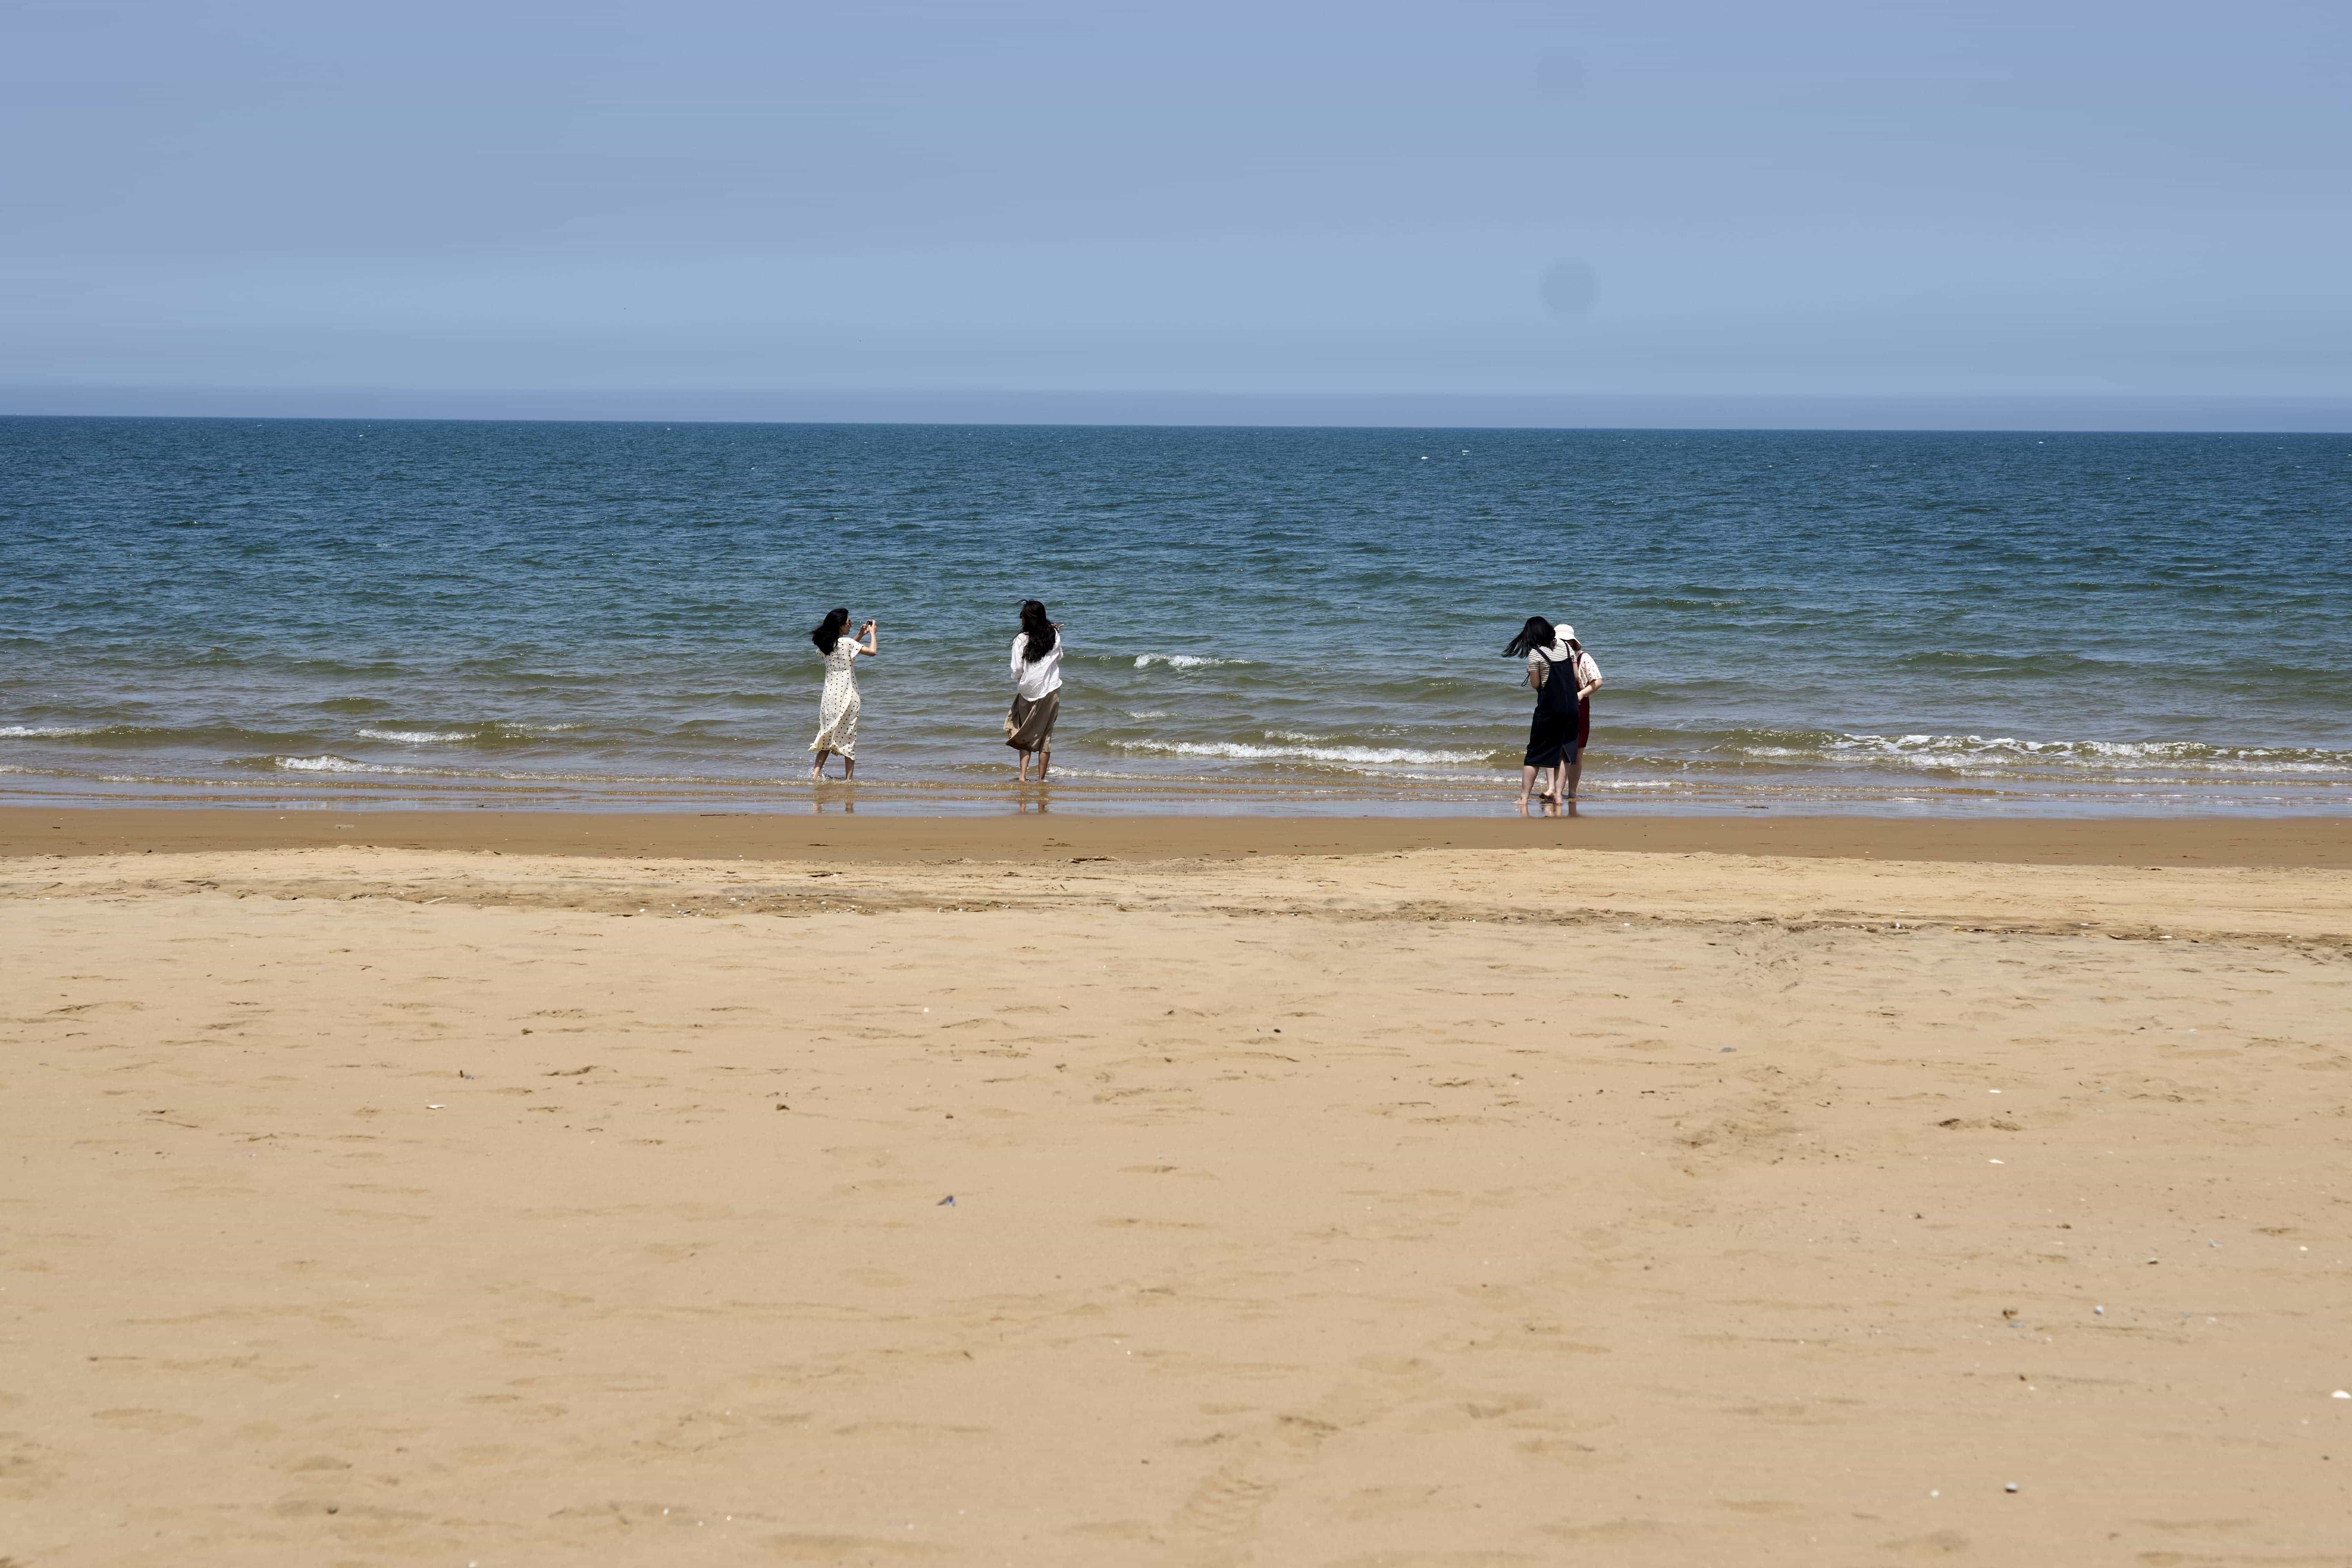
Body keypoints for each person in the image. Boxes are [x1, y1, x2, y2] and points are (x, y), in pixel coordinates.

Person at [1504, 615, 1596, 813]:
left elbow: (1537, 684)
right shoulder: (1568, 648)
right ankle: (1559, 797)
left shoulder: (1536, 654)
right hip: (1572, 708)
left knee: (1535, 754)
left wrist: (1533, 671)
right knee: (1564, 753)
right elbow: (1574, 677)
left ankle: (1524, 799)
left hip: (1549, 709)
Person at [808, 607, 877, 779]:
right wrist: (872, 634)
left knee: (827, 734)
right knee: (849, 735)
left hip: (829, 697)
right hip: (848, 695)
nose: (850, 624)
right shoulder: (847, 643)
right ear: (840, 625)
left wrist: (860, 636)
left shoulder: (826, 645)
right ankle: (848, 780)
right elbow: (872, 652)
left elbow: (844, 650)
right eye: (848, 622)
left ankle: (815, 776)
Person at [1006, 599, 1063, 782]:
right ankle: (1041, 780)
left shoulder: (1021, 639)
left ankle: (1023, 777)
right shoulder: (1054, 634)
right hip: (1051, 689)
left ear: (1028, 619)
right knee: (1046, 735)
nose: (1021, 619)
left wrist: (1018, 678)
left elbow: (1017, 669)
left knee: (1026, 732)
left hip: (1028, 691)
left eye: (1022, 616)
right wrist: (1054, 631)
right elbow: (1059, 657)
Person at [1550, 617, 1604, 800]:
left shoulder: (1583, 658)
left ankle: (1572, 792)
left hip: (1580, 706)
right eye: (1560, 641)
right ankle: (1556, 791)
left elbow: (1598, 681)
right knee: (1558, 752)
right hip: (1557, 707)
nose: (1564, 644)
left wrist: (1581, 695)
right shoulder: (1550, 657)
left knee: (1578, 752)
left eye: (1567, 641)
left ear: (1573, 642)